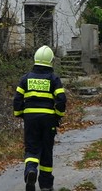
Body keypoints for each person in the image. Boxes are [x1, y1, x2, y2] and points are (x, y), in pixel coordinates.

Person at [13, 45, 66, 191]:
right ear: (51, 61)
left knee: (31, 148)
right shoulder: (54, 78)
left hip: (30, 119)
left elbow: (17, 99)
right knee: (46, 151)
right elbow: (61, 100)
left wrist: (19, 113)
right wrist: (58, 115)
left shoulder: (25, 78)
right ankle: (46, 185)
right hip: (48, 119)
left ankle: (31, 170)